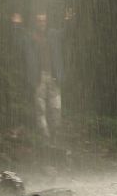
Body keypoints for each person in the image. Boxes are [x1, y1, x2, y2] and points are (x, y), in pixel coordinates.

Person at [12, 9, 73, 144]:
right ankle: (44, 136)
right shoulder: (30, 37)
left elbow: (66, 34)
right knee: (40, 109)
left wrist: (68, 21)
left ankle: (56, 134)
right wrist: (16, 25)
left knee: (56, 106)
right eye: (39, 20)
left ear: (47, 21)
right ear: (35, 22)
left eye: (43, 20)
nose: (42, 23)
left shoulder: (53, 35)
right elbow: (18, 43)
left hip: (54, 77)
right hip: (38, 78)